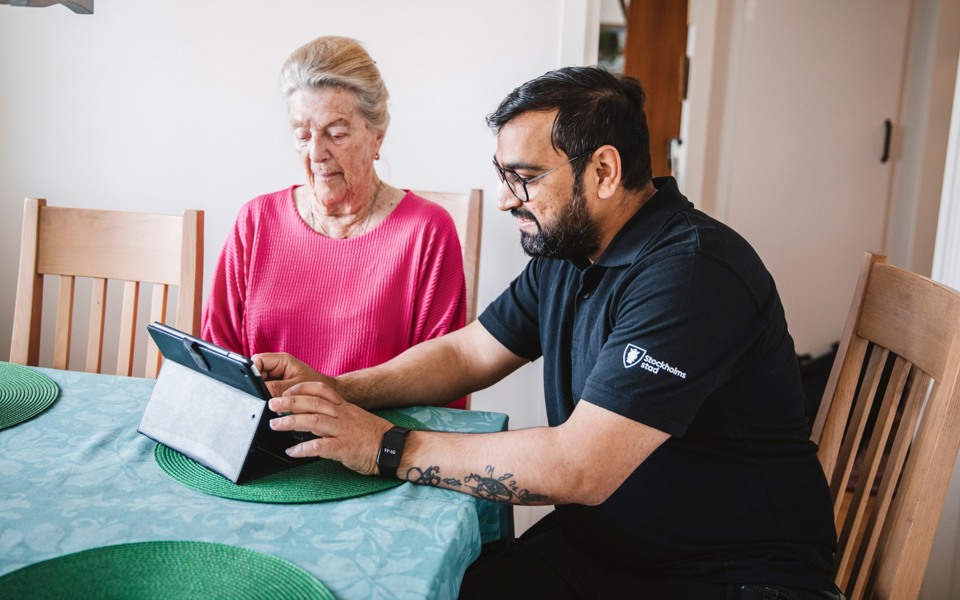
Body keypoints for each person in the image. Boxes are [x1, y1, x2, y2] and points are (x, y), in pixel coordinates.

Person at [255, 66, 841, 599]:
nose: (505, 199)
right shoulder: (569, 248)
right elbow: (469, 352)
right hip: (608, 549)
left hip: (732, 574)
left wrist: (382, 446)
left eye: (525, 177)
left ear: (604, 171)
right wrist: (338, 389)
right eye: (503, 176)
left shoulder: (692, 272)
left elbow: (578, 467)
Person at [201, 36, 468, 409]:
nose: (316, 153)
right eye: (302, 134)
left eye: (336, 133)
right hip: (266, 431)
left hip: (375, 439)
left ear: (377, 136)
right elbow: (215, 363)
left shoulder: (426, 232)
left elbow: (444, 388)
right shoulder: (256, 221)